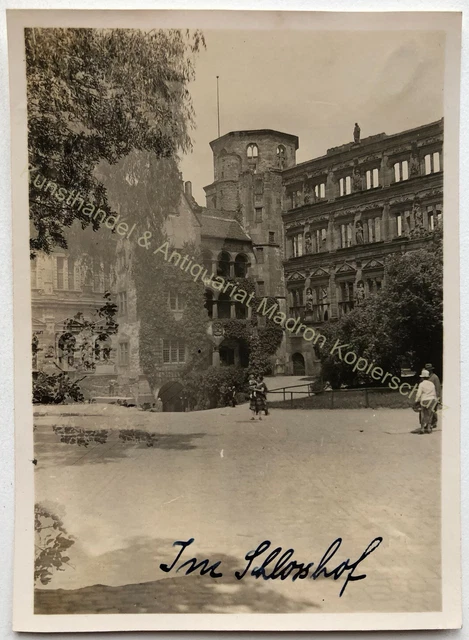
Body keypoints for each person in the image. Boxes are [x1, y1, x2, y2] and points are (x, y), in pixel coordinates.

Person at [414, 369, 437, 434]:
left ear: (422, 377)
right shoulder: (432, 384)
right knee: (430, 414)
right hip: (431, 399)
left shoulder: (421, 384)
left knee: (423, 414)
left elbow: (419, 393)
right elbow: (434, 392)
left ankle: (422, 428)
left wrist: (416, 400)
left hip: (424, 400)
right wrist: (435, 400)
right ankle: (429, 428)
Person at [425, 363, 441, 429]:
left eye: (428, 370)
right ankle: (428, 423)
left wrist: (437, 398)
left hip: (433, 396)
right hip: (426, 396)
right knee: (427, 411)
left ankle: (433, 423)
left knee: (433, 410)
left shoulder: (435, 377)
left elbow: (438, 388)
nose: (427, 371)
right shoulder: (425, 377)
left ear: (431, 370)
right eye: (426, 369)